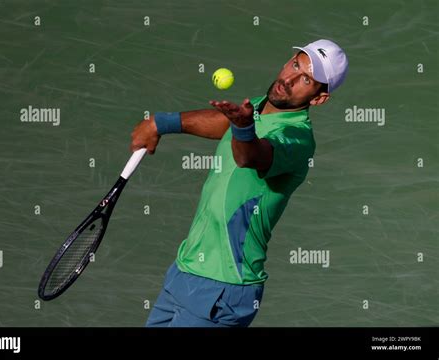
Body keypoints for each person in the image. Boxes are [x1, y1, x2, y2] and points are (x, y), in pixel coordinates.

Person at [131, 39, 348, 327]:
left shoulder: (297, 138)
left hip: (224, 286)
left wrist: (243, 128)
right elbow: (224, 125)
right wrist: (163, 123)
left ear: (318, 98)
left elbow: (252, 156)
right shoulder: (259, 107)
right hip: (186, 270)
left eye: (306, 79)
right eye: (295, 64)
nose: (290, 79)